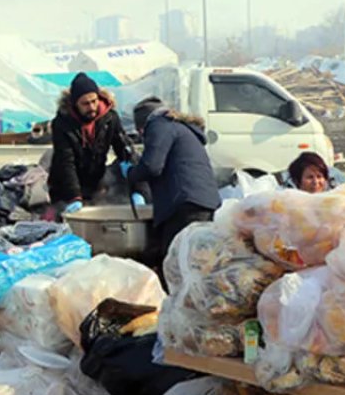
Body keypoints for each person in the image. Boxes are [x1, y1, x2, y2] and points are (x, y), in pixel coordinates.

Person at [127, 97, 221, 272]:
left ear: (143, 125)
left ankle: (173, 298)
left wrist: (131, 173)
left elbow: (152, 166)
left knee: (176, 263)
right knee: (196, 262)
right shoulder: (180, 127)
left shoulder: (159, 125)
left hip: (185, 202)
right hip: (204, 201)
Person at [49, 73, 132, 215]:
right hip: (65, 187)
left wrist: (137, 187)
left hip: (95, 182)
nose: (92, 107)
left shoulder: (110, 118)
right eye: (85, 104)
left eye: (94, 101)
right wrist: (74, 196)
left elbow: (124, 149)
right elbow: (66, 162)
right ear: (75, 104)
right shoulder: (62, 123)